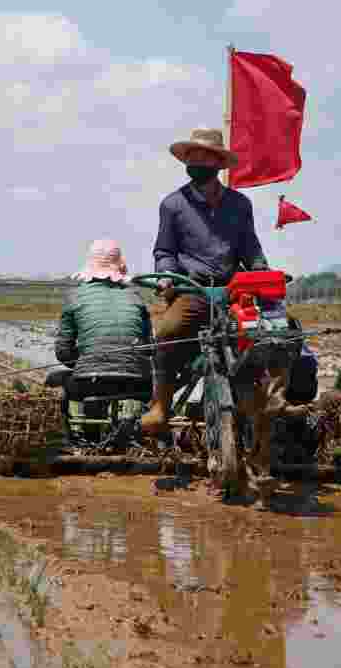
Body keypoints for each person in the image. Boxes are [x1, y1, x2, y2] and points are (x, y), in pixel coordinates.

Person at [141, 128, 269, 436]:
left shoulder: (240, 205)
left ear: (217, 163)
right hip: (191, 290)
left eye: (202, 156)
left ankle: (271, 402)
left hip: (232, 290)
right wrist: (165, 277)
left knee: (274, 332)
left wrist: (262, 272)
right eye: (190, 156)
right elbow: (164, 251)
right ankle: (160, 404)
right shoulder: (173, 205)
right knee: (168, 332)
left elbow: (251, 249)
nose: (195, 161)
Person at [55, 239, 152, 442]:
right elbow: (148, 347)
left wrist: (86, 361)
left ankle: (70, 438)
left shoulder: (75, 296)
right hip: (137, 384)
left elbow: (63, 352)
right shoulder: (135, 297)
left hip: (90, 382)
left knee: (55, 381)